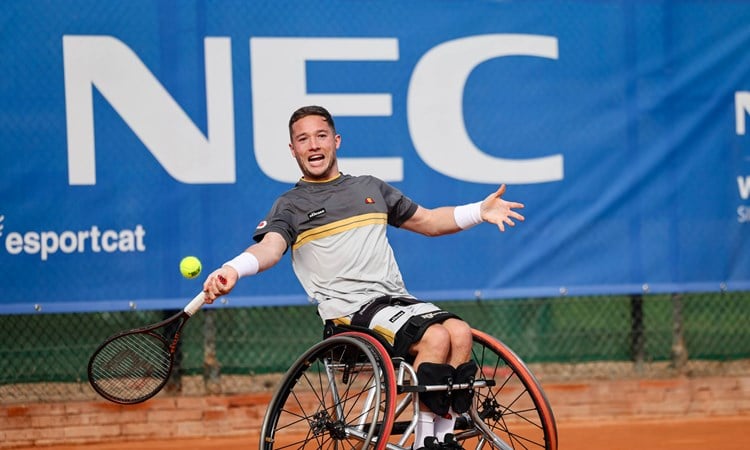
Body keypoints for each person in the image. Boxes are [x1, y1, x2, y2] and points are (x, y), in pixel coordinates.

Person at [202, 105, 525, 449]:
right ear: (293, 149)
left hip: (397, 302)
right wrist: (233, 268)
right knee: (436, 339)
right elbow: (269, 248)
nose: (313, 145)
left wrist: (480, 211)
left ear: (336, 141)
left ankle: (442, 437)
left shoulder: (370, 188)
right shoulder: (290, 205)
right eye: (303, 139)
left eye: (321, 136)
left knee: (459, 333)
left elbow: (429, 221)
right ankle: (424, 443)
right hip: (349, 313)